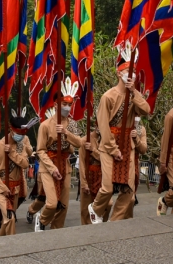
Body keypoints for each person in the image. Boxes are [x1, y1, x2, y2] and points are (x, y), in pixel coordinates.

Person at [89, 51, 152, 224]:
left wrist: (134, 93)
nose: (130, 75)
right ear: (119, 72)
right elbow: (103, 126)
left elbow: (146, 110)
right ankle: (94, 208)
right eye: (127, 71)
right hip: (110, 146)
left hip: (128, 145)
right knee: (108, 187)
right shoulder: (108, 97)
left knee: (128, 190)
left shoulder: (134, 97)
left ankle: (114, 222)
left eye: (133, 72)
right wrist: (113, 148)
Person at [36, 101, 84, 231]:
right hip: (48, 167)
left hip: (65, 166)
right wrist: (52, 168)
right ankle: (41, 220)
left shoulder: (72, 124)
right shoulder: (45, 125)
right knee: (52, 203)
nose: (67, 107)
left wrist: (65, 133)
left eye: (70, 104)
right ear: (56, 105)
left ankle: (57, 229)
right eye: (64, 103)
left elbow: (80, 143)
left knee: (63, 204)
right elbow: (40, 150)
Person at [0, 109, 35, 237]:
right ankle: (11, 245)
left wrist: (12, 153)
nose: (20, 136)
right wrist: (2, 187)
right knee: (10, 217)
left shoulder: (21, 146)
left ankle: (0, 241)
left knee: (8, 220)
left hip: (14, 189)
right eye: (18, 132)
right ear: (11, 129)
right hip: (0, 188)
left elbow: (25, 163)